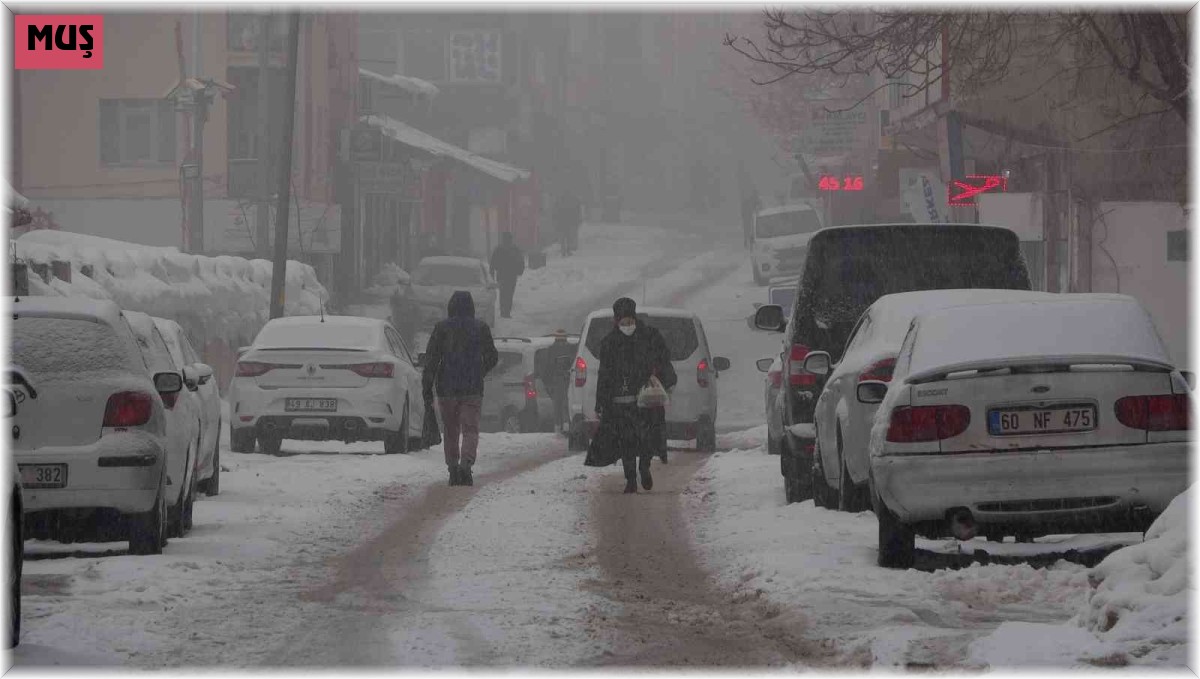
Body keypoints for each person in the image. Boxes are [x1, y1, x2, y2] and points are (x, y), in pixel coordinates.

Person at [594, 297, 677, 494]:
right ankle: (631, 479)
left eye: (630, 322)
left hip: (647, 400)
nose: (627, 326)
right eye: (623, 323)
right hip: (620, 402)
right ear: (616, 322)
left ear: (635, 318)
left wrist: (662, 379)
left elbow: (664, 358)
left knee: (647, 439)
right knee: (626, 442)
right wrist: (601, 402)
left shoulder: (650, 336)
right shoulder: (609, 343)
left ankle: (644, 466)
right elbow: (604, 374)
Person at [422, 291, 499, 487]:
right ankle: (466, 463)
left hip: (446, 388)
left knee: (451, 429)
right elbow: (492, 357)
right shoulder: (480, 328)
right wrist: (479, 370)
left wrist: (427, 386)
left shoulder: (441, 328)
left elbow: (431, 360)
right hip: (472, 387)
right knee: (470, 429)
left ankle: (453, 468)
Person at [541, 328, 576, 434]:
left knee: (557, 405)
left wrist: (547, 383)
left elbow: (546, 368)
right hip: (568, 380)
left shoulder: (551, 350)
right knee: (566, 403)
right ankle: (566, 426)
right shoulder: (571, 349)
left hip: (556, 381)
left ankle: (558, 427)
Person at [489, 232, 525, 319]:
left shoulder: (498, 249)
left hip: (502, 275)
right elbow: (521, 261)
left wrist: (492, 275)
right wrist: (520, 271)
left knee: (504, 294)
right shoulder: (514, 249)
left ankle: (504, 312)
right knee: (509, 294)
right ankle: (506, 312)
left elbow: (492, 264)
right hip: (511, 276)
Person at [553, 190, 583, 256]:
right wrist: (578, 220)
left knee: (563, 237)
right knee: (569, 237)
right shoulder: (574, 200)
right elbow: (578, 210)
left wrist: (555, 220)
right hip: (570, 221)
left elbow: (555, 210)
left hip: (562, 221)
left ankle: (563, 251)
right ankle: (568, 250)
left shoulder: (559, 200)